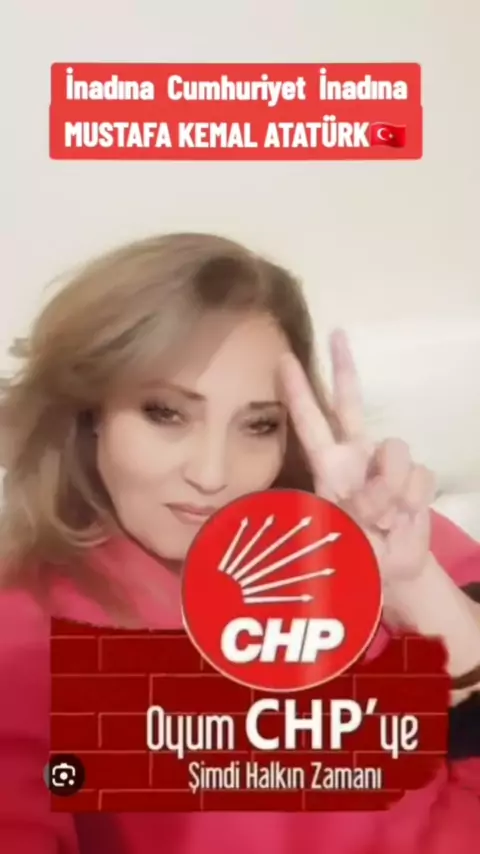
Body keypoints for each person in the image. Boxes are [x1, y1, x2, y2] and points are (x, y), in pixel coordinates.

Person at [0, 232, 478, 854]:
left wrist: (416, 590)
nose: (212, 473)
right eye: (165, 413)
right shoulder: (30, 636)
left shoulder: (380, 528)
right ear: (90, 414)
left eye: (258, 424)